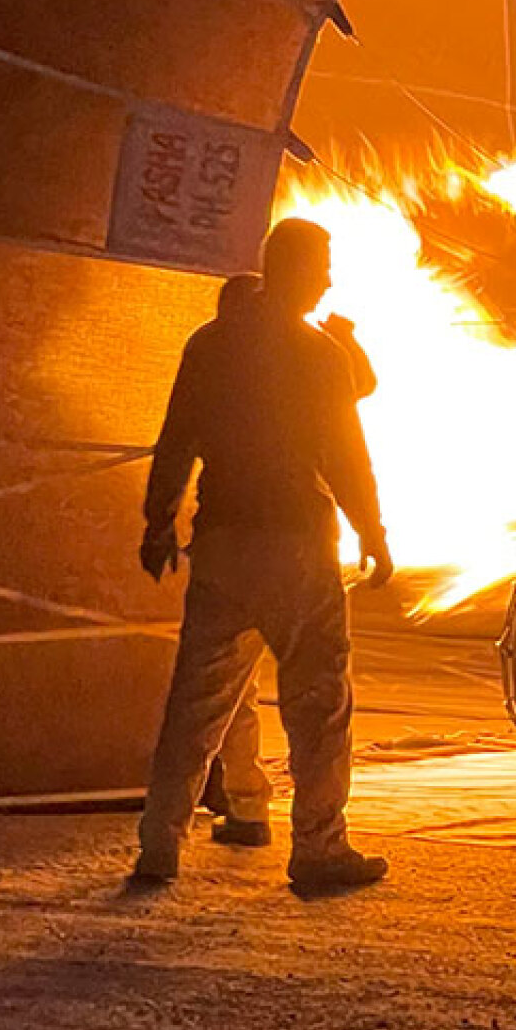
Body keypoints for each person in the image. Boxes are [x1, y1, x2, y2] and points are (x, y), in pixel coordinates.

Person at [133, 218, 394, 895]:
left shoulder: (211, 344)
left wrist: (158, 524)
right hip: (297, 548)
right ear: (299, 269)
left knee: (195, 706)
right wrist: (373, 531)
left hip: (221, 545)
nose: (330, 279)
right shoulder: (318, 353)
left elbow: (175, 441)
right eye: (325, 266)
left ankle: (159, 847)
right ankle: (319, 850)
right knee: (319, 706)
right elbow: (346, 456)